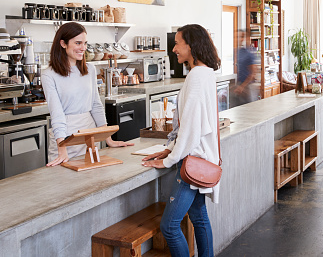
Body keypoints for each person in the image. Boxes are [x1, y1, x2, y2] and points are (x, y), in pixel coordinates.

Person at [142, 24, 221, 257]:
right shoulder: (205, 72)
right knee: (199, 218)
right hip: (202, 158)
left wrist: (170, 159)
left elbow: (190, 127)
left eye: (177, 43)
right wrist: (169, 149)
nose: (173, 48)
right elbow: (189, 124)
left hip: (191, 160)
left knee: (169, 226)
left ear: (191, 45)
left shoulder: (197, 76)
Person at [41, 22, 133, 167]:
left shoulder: (89, 69)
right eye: (78, 43)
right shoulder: (49, 75)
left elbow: (96, 105)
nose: (83, 48)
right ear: (63, 43)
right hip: (66, 137)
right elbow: (56, 113)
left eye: (85, 43)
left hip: (90, 136)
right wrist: (62, 147)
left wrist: (108, 138)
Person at [233, 30, 256, 106]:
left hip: (247, 88)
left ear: (242, 39)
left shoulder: (248, 54)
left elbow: (252, 74)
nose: (235, 39)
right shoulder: (234, 52)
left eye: (238, 37)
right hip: (237, 88)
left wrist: (242, 87)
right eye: (235, 37)